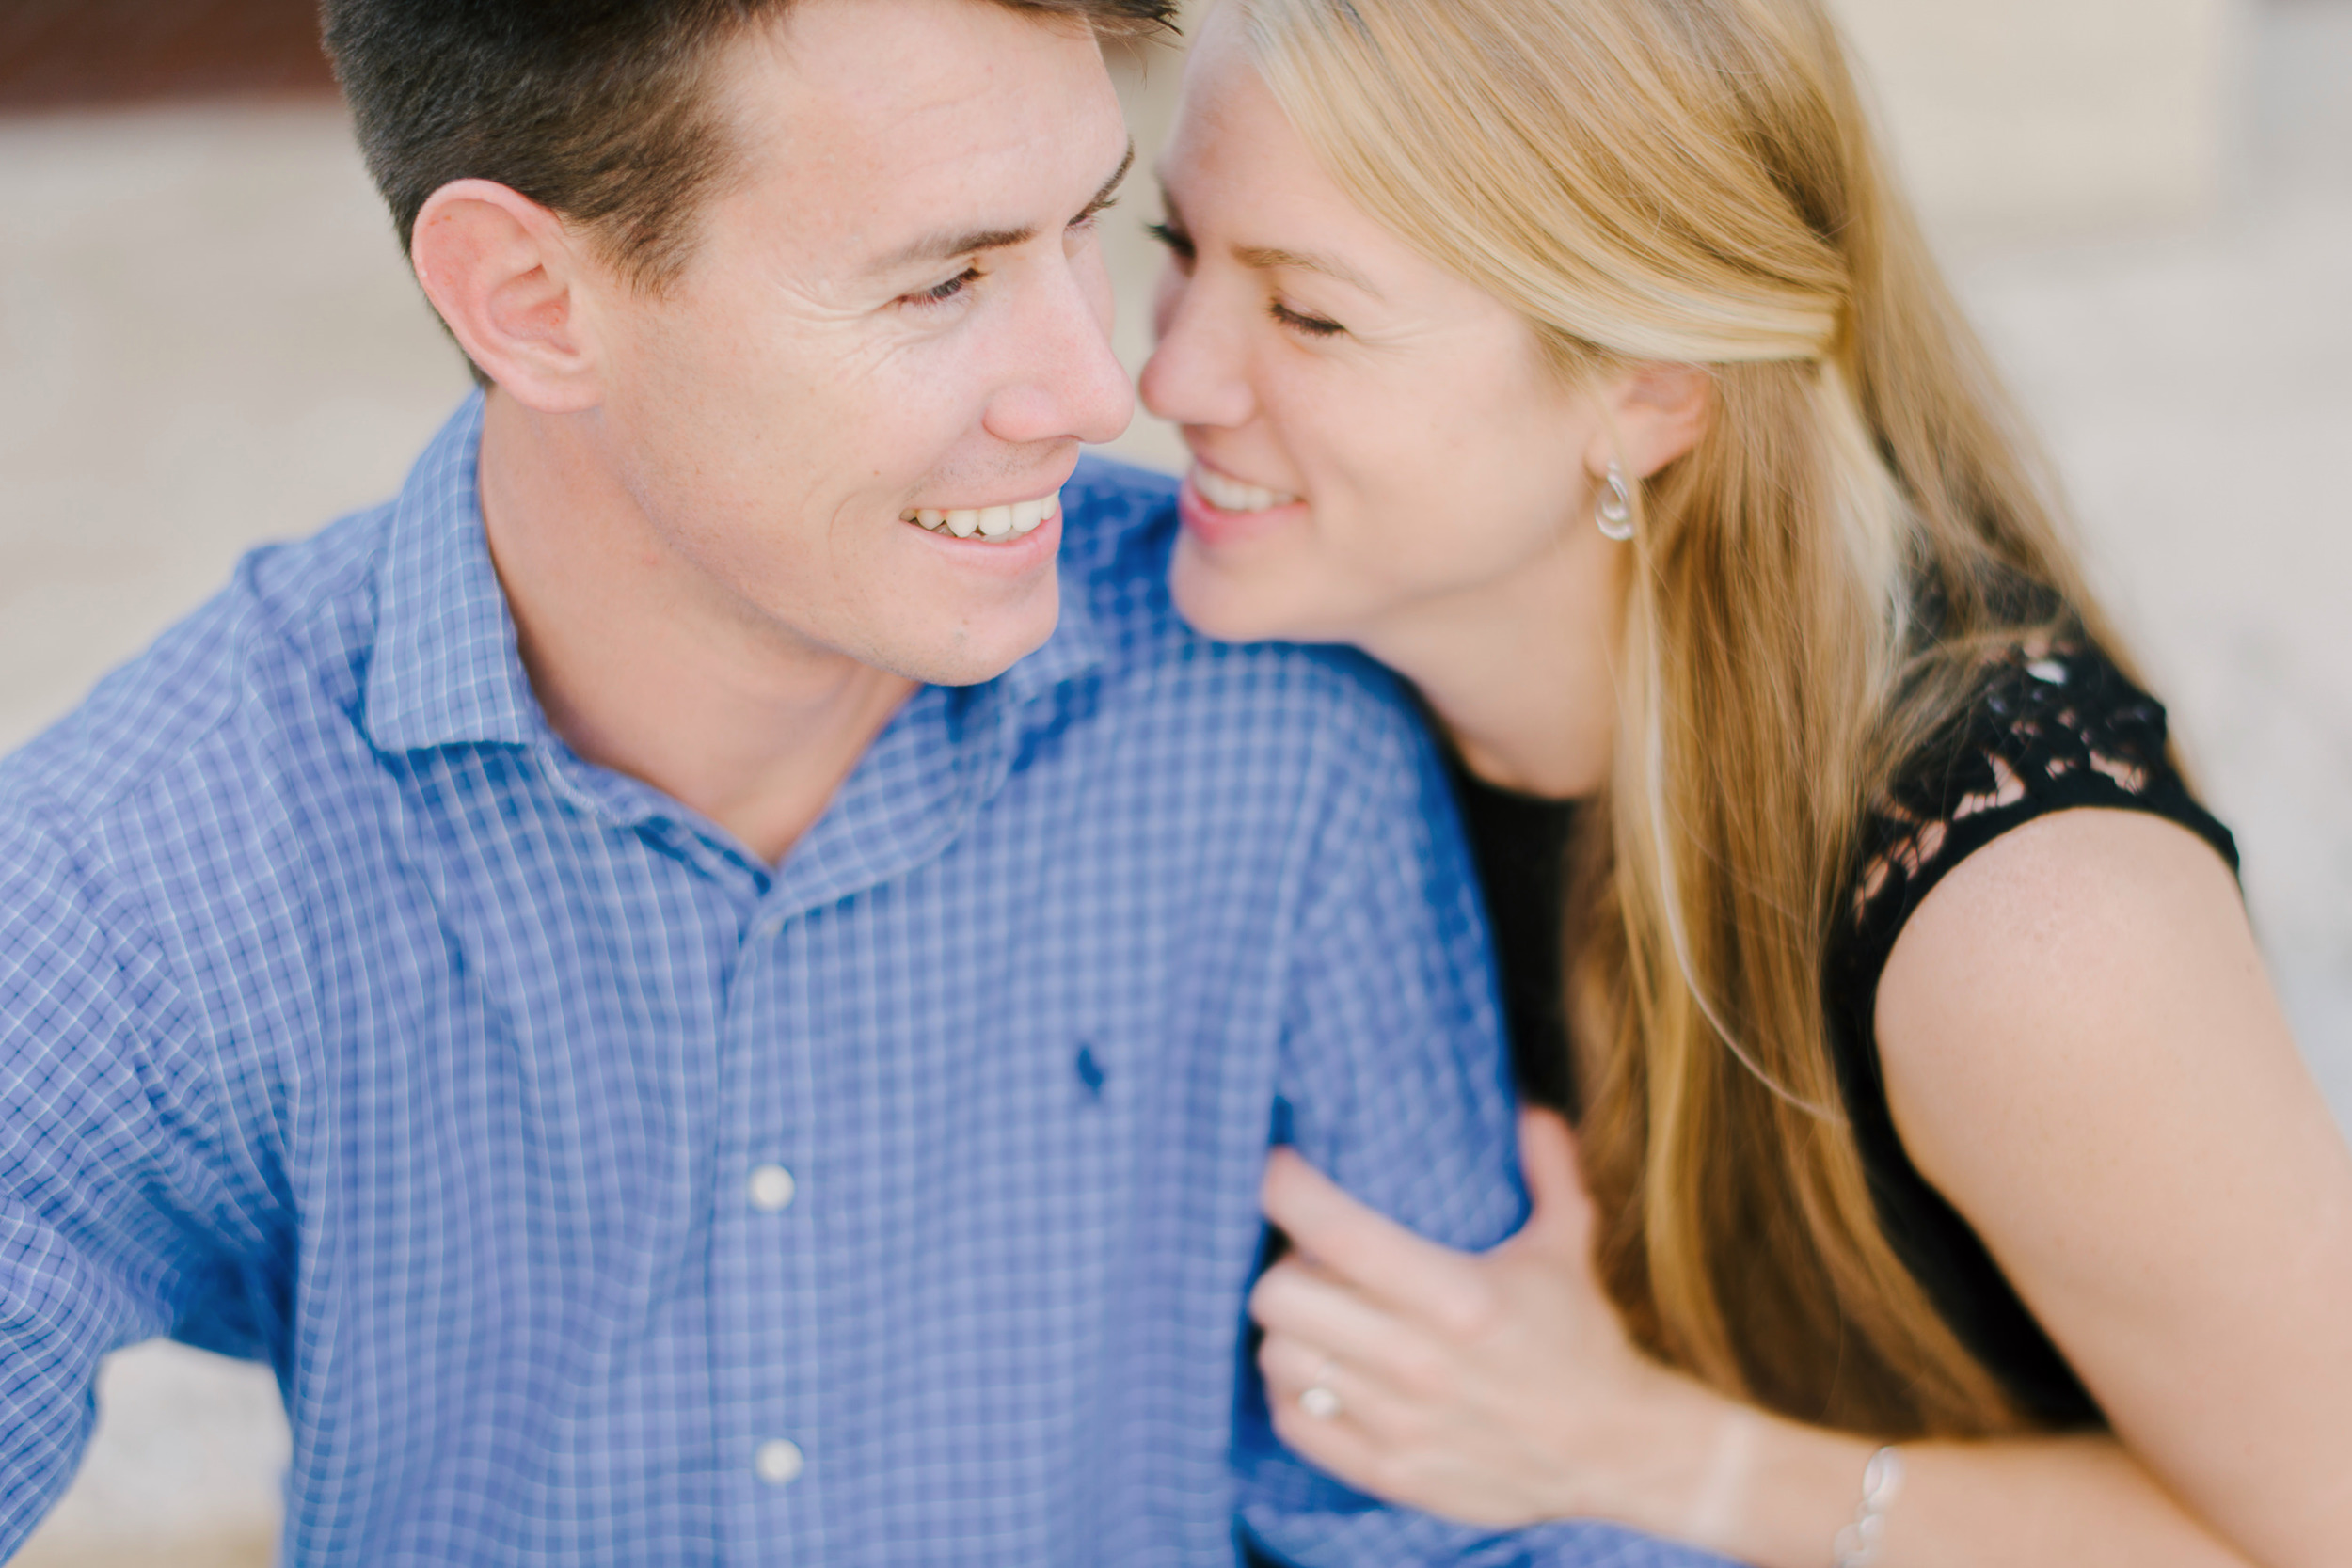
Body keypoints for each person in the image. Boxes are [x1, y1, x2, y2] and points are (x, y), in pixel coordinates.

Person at [0, 2, 1721, 1563]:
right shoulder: (157, 869)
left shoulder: (1268, 722)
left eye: (1088, 232)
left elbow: (1448, 1522)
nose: (1097, 387)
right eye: (943, 280)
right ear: (531, 303)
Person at [1138, 1, 2352, 1565]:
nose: (1165, 374)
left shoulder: (2029, 916)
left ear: (1648, 391)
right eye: (1175, 242)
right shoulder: (1266, 681)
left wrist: (1653, 1455)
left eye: (1308, 317)